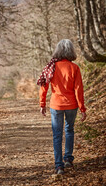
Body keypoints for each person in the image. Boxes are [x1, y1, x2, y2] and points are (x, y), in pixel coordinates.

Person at [37, 39, 86, 175]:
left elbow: (43, 87)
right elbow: (78, 89)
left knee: (57, 135)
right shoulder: (74, 68)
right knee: (69, 130)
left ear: (58, 50)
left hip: (56, 105)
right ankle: (68, 159)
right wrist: (82, 108)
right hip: (72, 105)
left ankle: (59, 166)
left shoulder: (51, 67)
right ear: (71, 51)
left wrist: (42, 104)